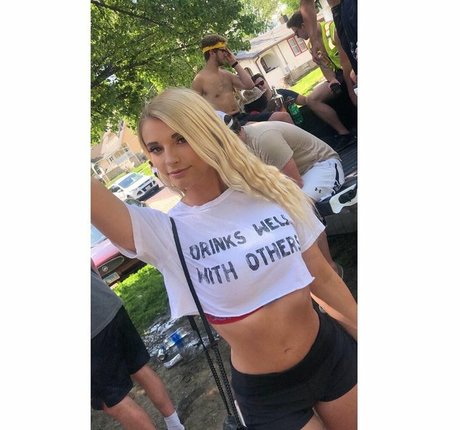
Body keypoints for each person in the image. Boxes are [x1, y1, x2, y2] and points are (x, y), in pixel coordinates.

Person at [91, 87, 357, 430]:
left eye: (181, 139)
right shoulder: (164, 233)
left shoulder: (272, 190)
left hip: (331, 354)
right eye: (156, 149)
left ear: (208, 134)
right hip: (270, 395)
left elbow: (323, 278)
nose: (169, 158)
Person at [216, 111, 345, 277]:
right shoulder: (238, 150)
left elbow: (295, 183)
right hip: (294, 178)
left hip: (320, 165)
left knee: (298, 207)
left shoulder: (263, 139)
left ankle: (330, 269)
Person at [91, 263, 185, 430]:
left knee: (112, 399)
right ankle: (175, 426)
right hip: (108, 303)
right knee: (138, 366)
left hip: (92, 331)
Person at [286, 12, 357, 146]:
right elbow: (325, 68)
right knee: (311, 100)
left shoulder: (332, 30)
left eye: (296, 33)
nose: (297, 37)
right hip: (338, 75)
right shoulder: (311, 46)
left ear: (303, 26)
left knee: (353, 77)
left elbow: (346, 63)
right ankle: (345, 134)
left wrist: (349, 88)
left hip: (352, 68)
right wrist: (332, 80)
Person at [191, 34, 292, 125]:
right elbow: (195, 109)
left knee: (283, 116)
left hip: (240, 116)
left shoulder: (226, 74)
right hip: (226, 124)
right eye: (223, 50)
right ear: (212, 52)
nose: (226, 54)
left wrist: (234, 63)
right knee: (259, 126)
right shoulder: (199, 80)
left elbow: (250, 85)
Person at [299, 0, 357, 75]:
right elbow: (307, 4)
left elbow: (307, 4)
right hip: (339, 11)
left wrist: (314, 40)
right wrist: (314, 40)